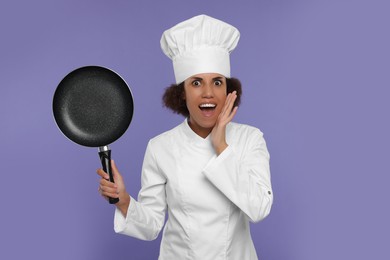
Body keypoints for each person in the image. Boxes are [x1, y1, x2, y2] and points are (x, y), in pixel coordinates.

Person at [97, 14, 273, 260]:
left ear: (228, 90)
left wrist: (221, 145)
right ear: (182, 93)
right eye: (197, 82)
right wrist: (124, 201)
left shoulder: (249, 139)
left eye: (218, 82)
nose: (208, 93)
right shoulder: (160, 147)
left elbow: (259, 209)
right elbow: (151, 226)